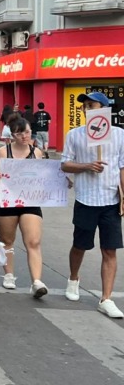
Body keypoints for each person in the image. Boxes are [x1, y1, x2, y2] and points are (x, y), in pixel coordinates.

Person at [61, 92, 124, 319]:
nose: (87, 109)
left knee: (110, 249)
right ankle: (73, 278)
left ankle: (106, 298)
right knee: (80, 244)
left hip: (111, 201)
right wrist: (86, 165)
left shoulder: (119, 135)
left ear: (104, 109)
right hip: (86, 199)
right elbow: (65, 164)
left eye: (91, 105)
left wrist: (123, 195)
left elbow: (122, 166)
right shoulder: (75, 135)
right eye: (84, 106)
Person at [0, 116, 48, 296]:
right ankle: (9, 274)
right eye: (20, 133)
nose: (24, 136)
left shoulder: (36, 152)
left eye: (27, 132)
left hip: (29, 201)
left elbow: (42, 178)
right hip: (6, 201)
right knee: (7, 240)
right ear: (12, 135)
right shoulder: (2, 152)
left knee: (33, 240)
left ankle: (37, 281)